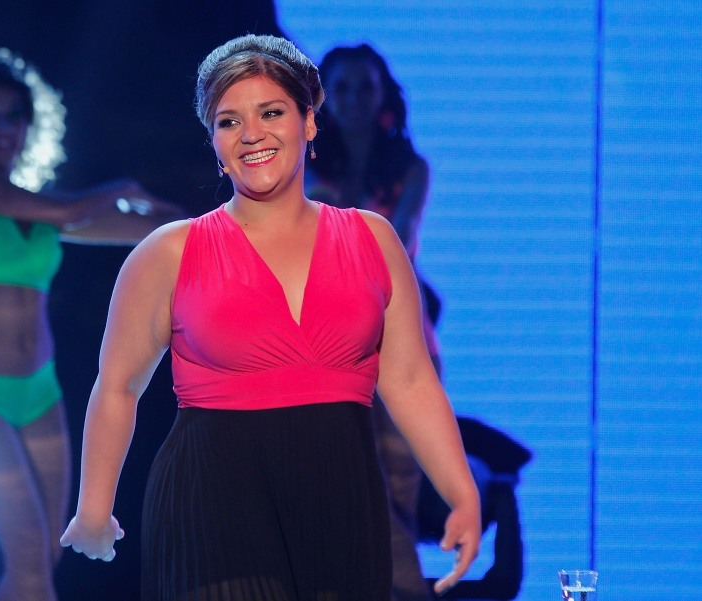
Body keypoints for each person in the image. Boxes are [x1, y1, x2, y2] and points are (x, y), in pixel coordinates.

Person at [60, 34, 481, 600]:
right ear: (214, 140)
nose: (251, 133)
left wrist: (461, 494)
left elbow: (409, 380)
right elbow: (117, 386)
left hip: (342, 502)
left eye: (271, 112)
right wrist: (93, 508)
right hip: (214, 509)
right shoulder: (169, 252)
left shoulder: (373, 240)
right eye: (229, 121)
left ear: (309, 122)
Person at [0, 48, 157, 601]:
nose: (3, 128)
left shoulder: (32, 208)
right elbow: (72, 212)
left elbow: (141, 229)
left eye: (14, 115)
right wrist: (121, 187)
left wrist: (216, 217)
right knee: (26, 551)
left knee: (44, 555)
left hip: (39, 392)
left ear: (30, 124)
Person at [306, 43, 438, 601]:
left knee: (401, 485)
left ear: (383, 94)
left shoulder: (410, 168)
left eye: (365, 87)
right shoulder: (304, 163)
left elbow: (400, 243)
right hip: (333, 341)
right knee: (355, 481)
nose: (355, 99)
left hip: (402, 336)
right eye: (341, 88)